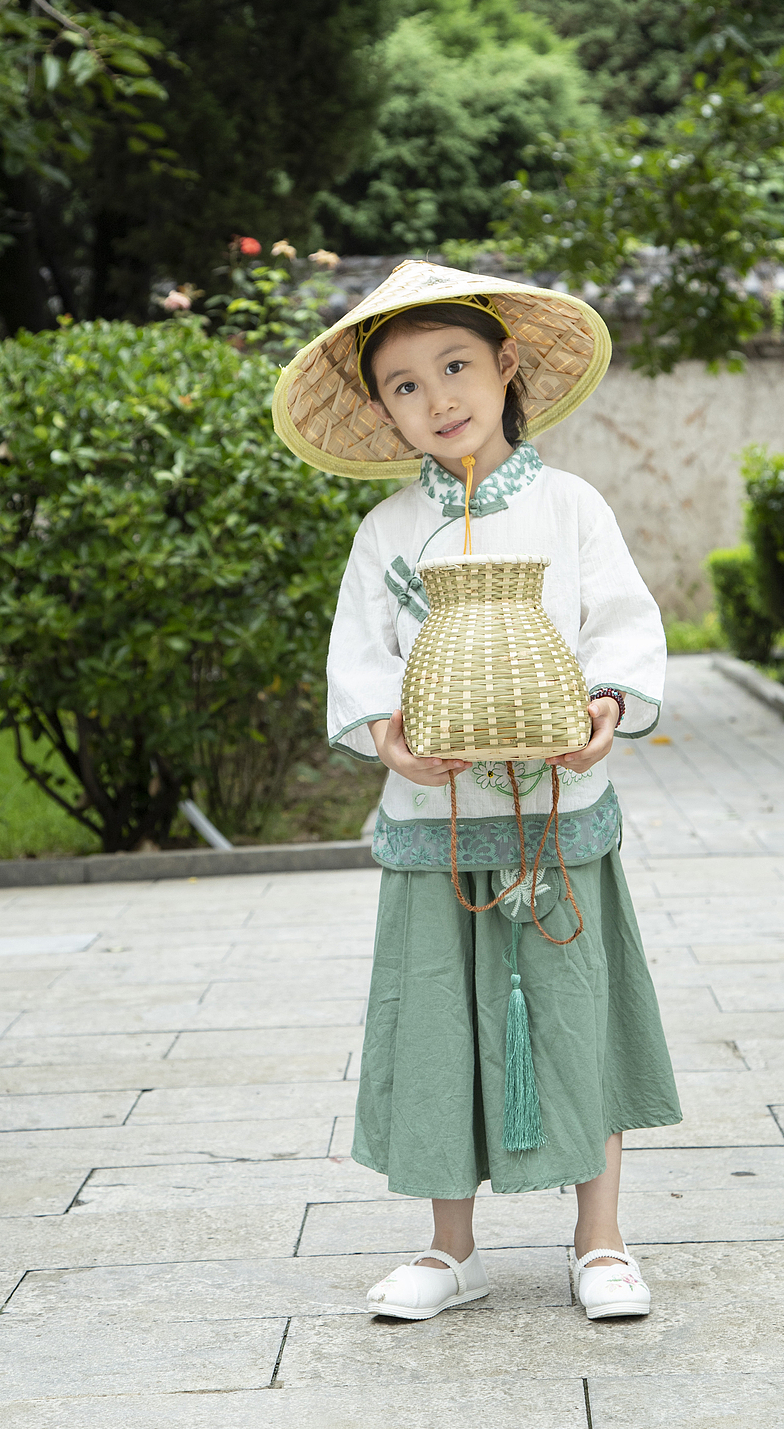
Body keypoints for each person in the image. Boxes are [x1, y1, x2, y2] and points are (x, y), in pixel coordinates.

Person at [272, 259, 680, 1323]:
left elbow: (623, 628)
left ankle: (599, 1241)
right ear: (381, 410)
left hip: (556, 819)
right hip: (433, 821)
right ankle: (451, 1248)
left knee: (573, 1010)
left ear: (505, 367)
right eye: (404, 384)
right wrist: (387, 738)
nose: (437, 398)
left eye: (455, 366)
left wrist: (606, 710)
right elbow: (358, 657)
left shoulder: (570, 507)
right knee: (434, 1024)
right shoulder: (384, 535)